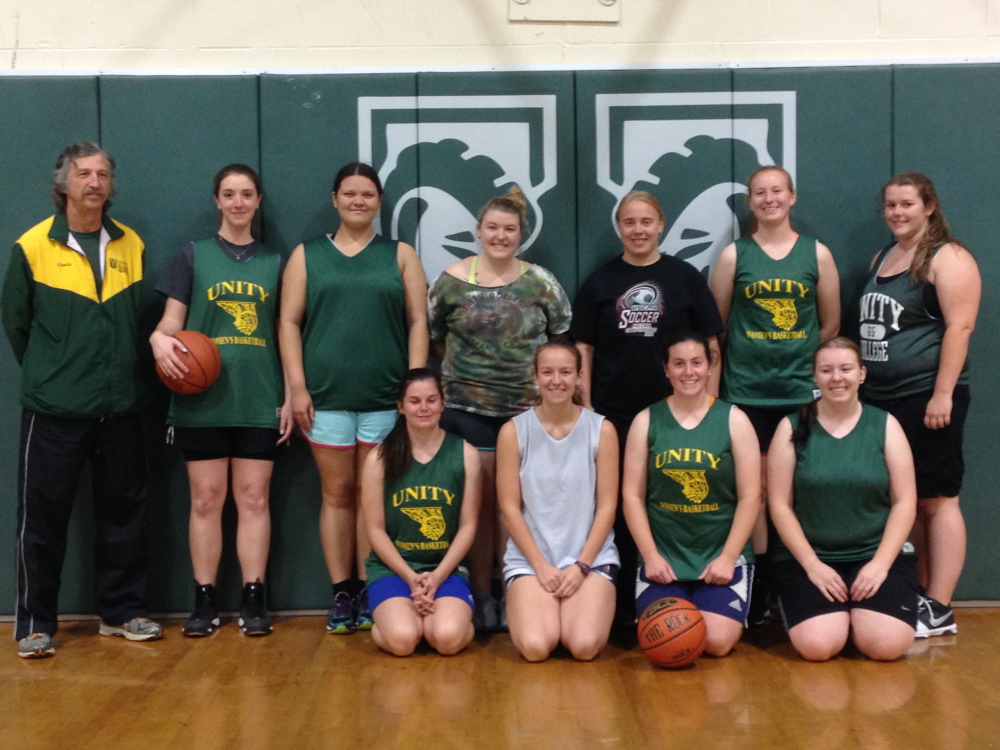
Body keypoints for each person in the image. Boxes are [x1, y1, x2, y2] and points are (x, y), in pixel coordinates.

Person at [1, 141, 163, 658]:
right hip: (54, 409)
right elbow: (17, 325)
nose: (95, 182)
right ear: (63, 183)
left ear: (112, 186)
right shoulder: (31, 247)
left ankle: (120, 613)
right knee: (42, 521)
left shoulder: (130, 244)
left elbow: (139, 319)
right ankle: (34, 623)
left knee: (124, 516)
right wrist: (56, 373)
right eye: (84, 173)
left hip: (121, 407)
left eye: (103, 174)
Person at [280, 162, 429, 634]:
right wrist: (298, 386)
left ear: (379, 201)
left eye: (368, 194)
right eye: (350, 193)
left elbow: (418, 323)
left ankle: (373, 590)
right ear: (335, 199)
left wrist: (413, 386)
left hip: (386, 398)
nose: (358, 201)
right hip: (325, 398)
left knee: (373, 499)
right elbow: (288, 322)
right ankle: (342, 591)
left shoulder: (400, 254)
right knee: (337, 495)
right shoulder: (307, 255)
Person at [151, 164, 292, 637]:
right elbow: (172, 321)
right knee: (206, 500)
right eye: (229, 194)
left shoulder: (277, 262)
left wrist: (291, 393)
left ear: (258, 201)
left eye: (246, 194)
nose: (237, 202)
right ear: (216, 200)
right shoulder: (191, 255)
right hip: (202, 399)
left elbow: (286, 333)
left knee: (254, 499)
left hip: (259, 397)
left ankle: (254, 597)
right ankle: (204, 598)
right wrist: (157, 339)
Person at [570, 190, 725, 619]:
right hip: (614, 414)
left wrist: (710, 400)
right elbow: (583, 346)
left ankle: (678, 583)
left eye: (646, 222)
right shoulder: (601, 281)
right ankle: (619, 603)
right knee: (620, 504)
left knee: (670, 498)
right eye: (629, 222)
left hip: (676, 414)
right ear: (619, 228)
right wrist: (589, 403)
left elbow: (710, 343)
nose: (638, 230)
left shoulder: (685, 277)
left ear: (661, 225)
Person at [428, 186, 572, 630]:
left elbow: (561, 336)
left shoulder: (540, 282)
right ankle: (483, 595)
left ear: (521, 233)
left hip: (527, 411)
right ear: (478, 231)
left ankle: (517, 591)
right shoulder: (449, 280)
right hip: (465, 409)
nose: (500, 235)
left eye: (509, 229)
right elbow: (435, 337)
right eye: (492, 227)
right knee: (481, 508)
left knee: (518, 507)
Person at [708, 166, 840, 624]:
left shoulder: (816, 254)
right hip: (746, 393)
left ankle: (797, 581)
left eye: (776, 191)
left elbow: (830, 325)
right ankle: (761, 586)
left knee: (797, 489)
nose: (769, 199)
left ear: (792, 197)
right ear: (750, 202)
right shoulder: (733, 256)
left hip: (799, 394)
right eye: (760, 193)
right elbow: (716, 330)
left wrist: (801, 364)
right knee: (757, 492)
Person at [858, 173, 980, 638]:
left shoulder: (949, 257)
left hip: (927, 397)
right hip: (883, 401)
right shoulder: (881, 258)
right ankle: (920, 592)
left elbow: (960, 327)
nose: (897, 212)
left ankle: (941, 605)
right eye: (890, 205)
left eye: (907, 204)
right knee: (906, 502)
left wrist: (943, 394)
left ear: (929, 205)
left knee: (939, 500)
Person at [768, 338, 918, 661]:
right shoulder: (790, 428)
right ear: (815, 377)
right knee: (818, 647)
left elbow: (905, 501)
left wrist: (880, 564)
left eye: (846, 369)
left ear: (862, 374)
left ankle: (860, 617)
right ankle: (836, 618)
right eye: (827, 370)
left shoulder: (886, 425)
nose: (837, 377)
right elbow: (779, 505)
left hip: (873, 552)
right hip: (812, 557)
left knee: (887, 646)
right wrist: (812, 566)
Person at [622, 331, 761, 657]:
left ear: (710, 367)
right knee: (666, 637)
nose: (689, 372)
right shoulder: (647, 420)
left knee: (715, 643)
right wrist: (651, 556)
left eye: (697, 363)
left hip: (718, 555)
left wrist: (728, 558)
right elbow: (631, 496)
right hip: (664, 559)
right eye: (679, 364)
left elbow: (751, 497)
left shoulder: (734, 419)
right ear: (666, 370)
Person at [497, 339, 619, 662]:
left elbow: (607, 507)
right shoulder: (513, 431)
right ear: (535, 377)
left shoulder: (602, 430)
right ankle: (545, 609)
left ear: (580, 376)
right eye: (547, 372)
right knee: (536, 647)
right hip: (533, 560)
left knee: (583, 645)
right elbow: (509, 507)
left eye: (566, 372)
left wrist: (581, 566)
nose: (556, 380)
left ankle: (574, 610)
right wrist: (540, 566)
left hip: (588, 559)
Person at [361, 369, 480, 656]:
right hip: (393, 570)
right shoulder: (378, 458)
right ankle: (391, 623)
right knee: (403, 641)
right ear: (400, 407)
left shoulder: (466, 454)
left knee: (448, 639)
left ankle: (447, 621)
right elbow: (375, 530)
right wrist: (411, 578)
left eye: (431, 400)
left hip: (447, 569)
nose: (424, 408)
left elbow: (468, 526)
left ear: (442, 403)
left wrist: (437, 577)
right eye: (414, 401)